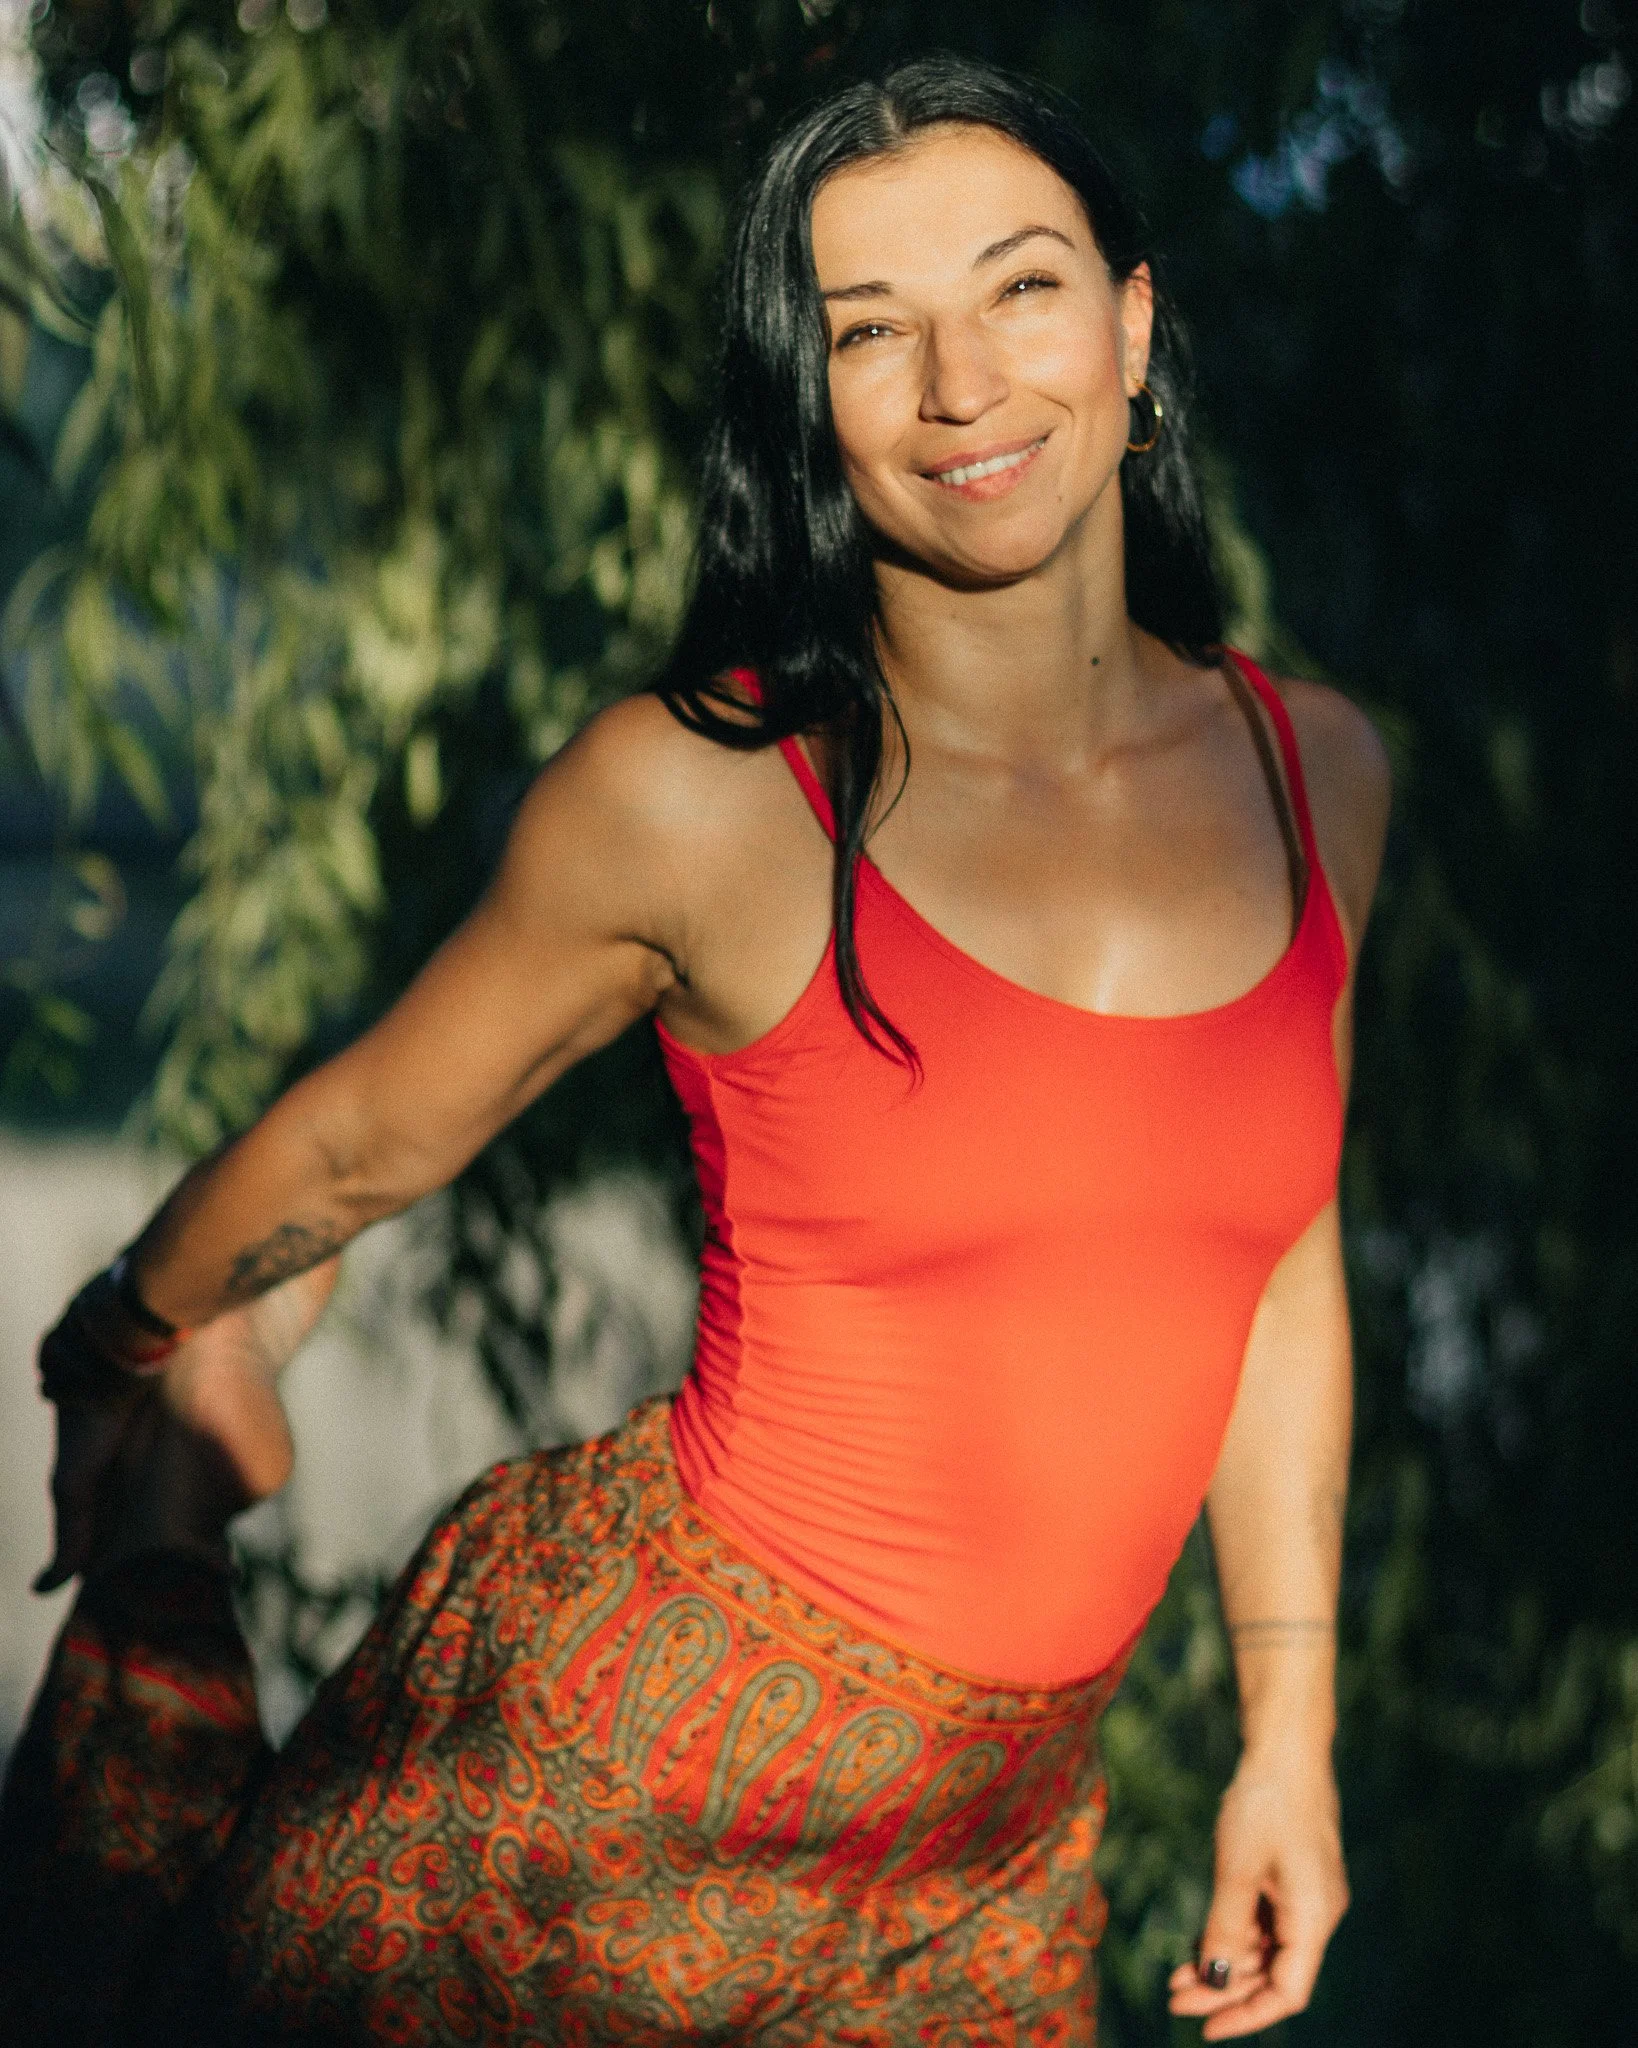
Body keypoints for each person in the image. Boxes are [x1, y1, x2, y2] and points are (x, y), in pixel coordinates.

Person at [0, 54, 1390, 2046]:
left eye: (1019, 287)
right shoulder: (709, 801)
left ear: (1134, 320)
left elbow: (1275, 1263)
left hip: (986, 1863)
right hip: (601, 1798)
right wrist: (122, 1344)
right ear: (808, 405)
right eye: (868, 330)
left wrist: (1291, 1733)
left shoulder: (1314, 770)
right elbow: (364, 1141)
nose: (961, 384)